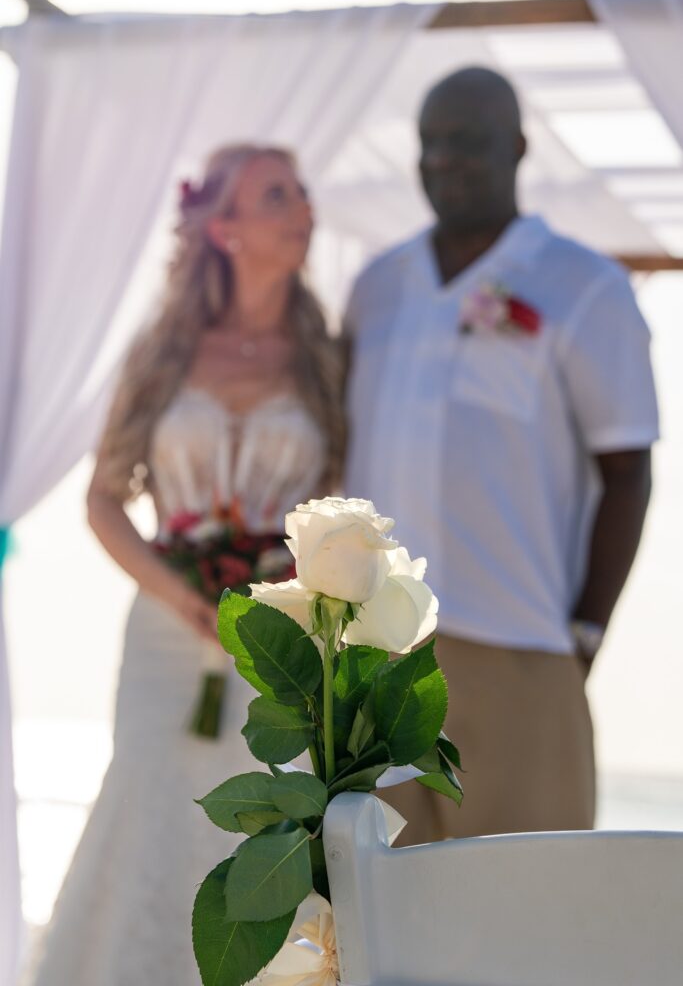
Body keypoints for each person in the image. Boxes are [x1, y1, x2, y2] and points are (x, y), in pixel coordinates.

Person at [29, 144, 344, 984]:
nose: (300, 207)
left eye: (300, 193)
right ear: (226, 228)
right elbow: (102, 499)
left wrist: (281, 592)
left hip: (279, 632)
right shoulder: (165, 348)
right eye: (274, 194)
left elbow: (341, 505)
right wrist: (183, 599)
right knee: (148, 804)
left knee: (263, 818)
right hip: (167, 636)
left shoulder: (327, 358)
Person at [344, 67, 659, 844]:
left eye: (468, 141)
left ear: (518, 146)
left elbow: (628, 473)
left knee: (524, 935)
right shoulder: (375, 286)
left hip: (515, 652)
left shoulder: (585, 285)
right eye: (430, 144)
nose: (445, 160)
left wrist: (585, 632)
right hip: (373, 659)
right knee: (382, 935)